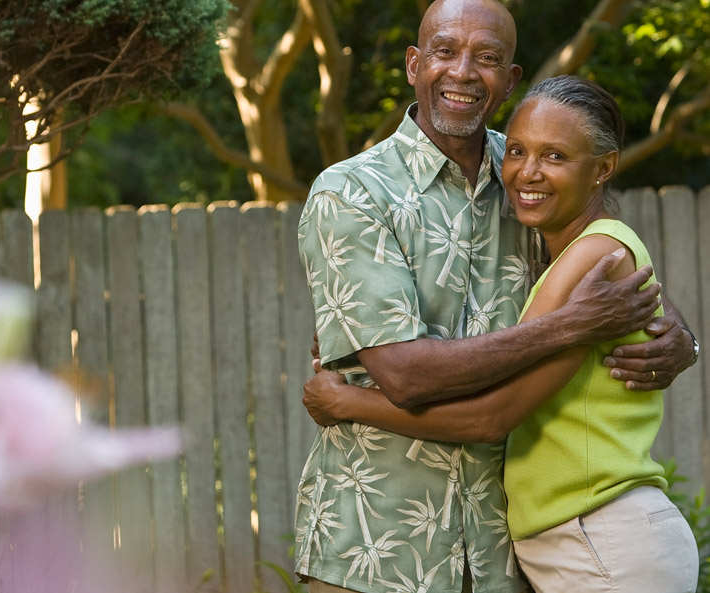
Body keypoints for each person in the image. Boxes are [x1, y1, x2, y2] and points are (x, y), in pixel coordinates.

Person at [294, 0, 698, 592]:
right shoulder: (353, 192)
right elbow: (404, 376)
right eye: (445, 51)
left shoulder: (529, 170)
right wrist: (569, 326)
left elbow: (611, 256)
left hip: (499, 552)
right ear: (414, 64)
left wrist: (681, 339)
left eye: (486, 58)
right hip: (376, 544)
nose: (462, 72)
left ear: (509, 80)